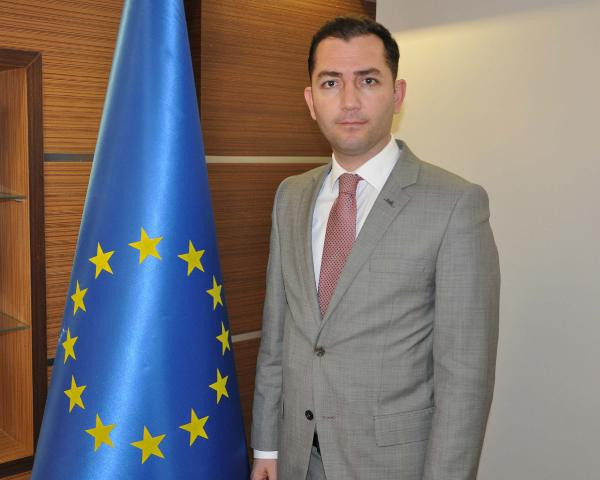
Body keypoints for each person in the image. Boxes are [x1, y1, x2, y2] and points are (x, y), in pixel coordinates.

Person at [250, 16, 500, 480]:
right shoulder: (291, 196)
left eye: (367, 80)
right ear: (311, 100)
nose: (349, 101)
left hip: (393, 465)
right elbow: (277, 338)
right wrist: (266, 447)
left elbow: (465, 376)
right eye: (330, 83)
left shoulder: (455, 204)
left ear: (397, 94)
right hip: (296, 458)